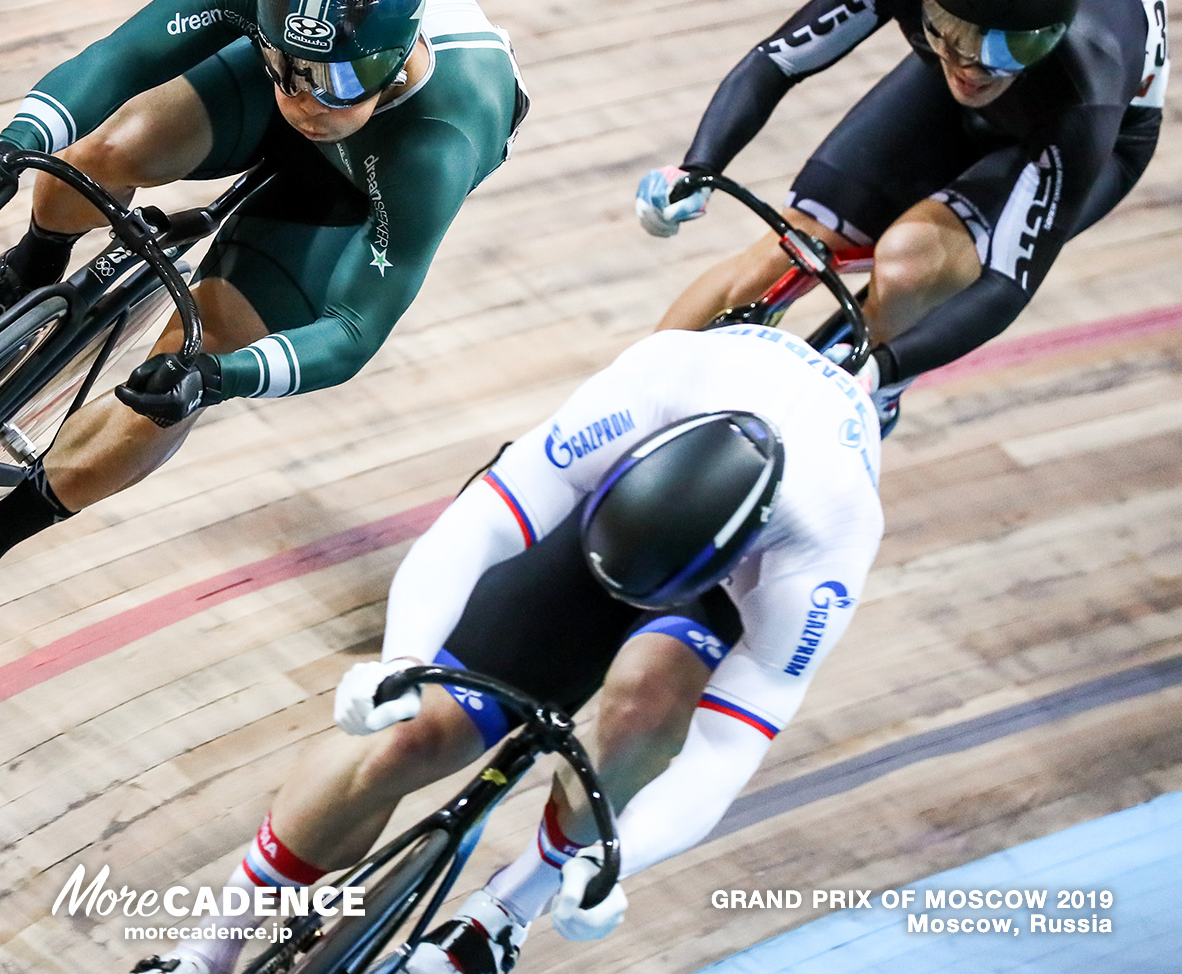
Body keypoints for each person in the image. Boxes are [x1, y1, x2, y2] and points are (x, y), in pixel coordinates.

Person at [135, 323, 883, 974]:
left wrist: (611, 863)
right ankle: (210, 946)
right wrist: (402, 659)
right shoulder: (654, 383)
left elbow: (725, 746)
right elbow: (481, 524)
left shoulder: (826, 539)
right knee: (407, 737)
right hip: (605, 523)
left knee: (646, 703)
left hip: (720, 591)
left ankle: (503, 916)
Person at [0, 0, 530, 637]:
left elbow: (352, 329)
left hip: (360, 183)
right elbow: (121, 59)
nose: (306, 102)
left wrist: (220, 378)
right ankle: (30, 269)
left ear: (398, 57)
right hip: (290, 98)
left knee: (192, 361)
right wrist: (12, 144)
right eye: (290, 69)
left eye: (336, 82)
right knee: (106, 149)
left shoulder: (442, 140)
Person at [637, 0, 1166, 432]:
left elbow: (1009, 283)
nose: (976, 67)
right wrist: (699, 165)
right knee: (788, 247)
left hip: (1074, 130)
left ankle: (865, 396)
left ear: (1051, 34)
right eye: (951, 32)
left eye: (1010, 47)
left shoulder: (1089, 84)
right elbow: (778, 60)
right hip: (964, 93)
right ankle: (626, 400)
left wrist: (884, 370)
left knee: (910, 264)